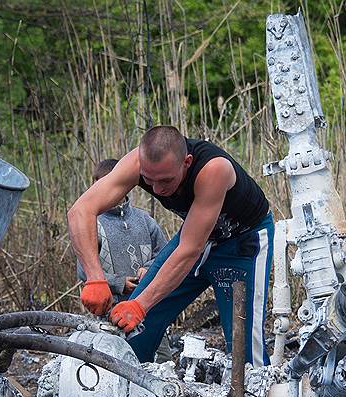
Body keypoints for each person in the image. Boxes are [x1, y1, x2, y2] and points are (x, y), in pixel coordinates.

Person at [68, 126, 273, 366]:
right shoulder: (137, 162)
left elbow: (189, 250)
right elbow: (80, 211)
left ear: (186, 162)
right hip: (196, 236)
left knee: (244, 353)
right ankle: (131, 392)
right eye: (148, 180)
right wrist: (95, 278)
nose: (156, 190)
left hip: (244, 243)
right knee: (134, 329)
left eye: (165, 180)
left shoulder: (213, 169)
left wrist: (140, 304)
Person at [75, 159, 169, 303]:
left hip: (149, 304)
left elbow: (164, 253)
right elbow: (84, 270)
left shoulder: (144, 220)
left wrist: (149, 269)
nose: (105, 191)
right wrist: (118, 283)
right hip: (109, 309)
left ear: (126, 185)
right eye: (99, 186)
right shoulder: (93, 225)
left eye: (111, 185)